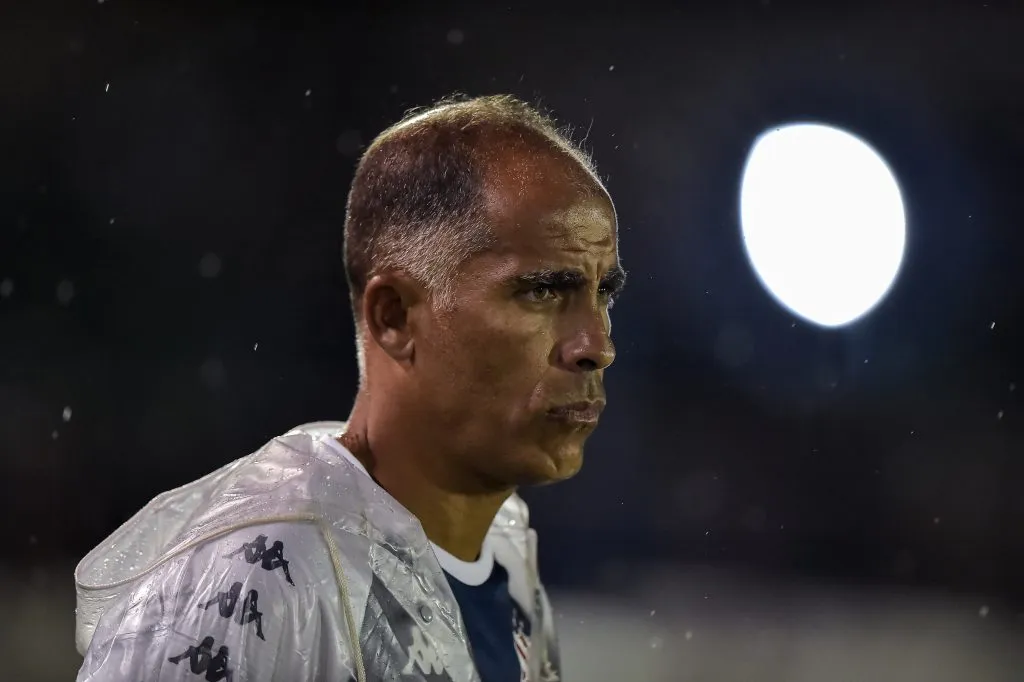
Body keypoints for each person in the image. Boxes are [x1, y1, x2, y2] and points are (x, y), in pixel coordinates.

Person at [74, 94, 625, 682]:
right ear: (394, 318)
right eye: (542, 291)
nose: (596, 344)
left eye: (604, 294)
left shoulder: (510, 568)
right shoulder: (254, 585)